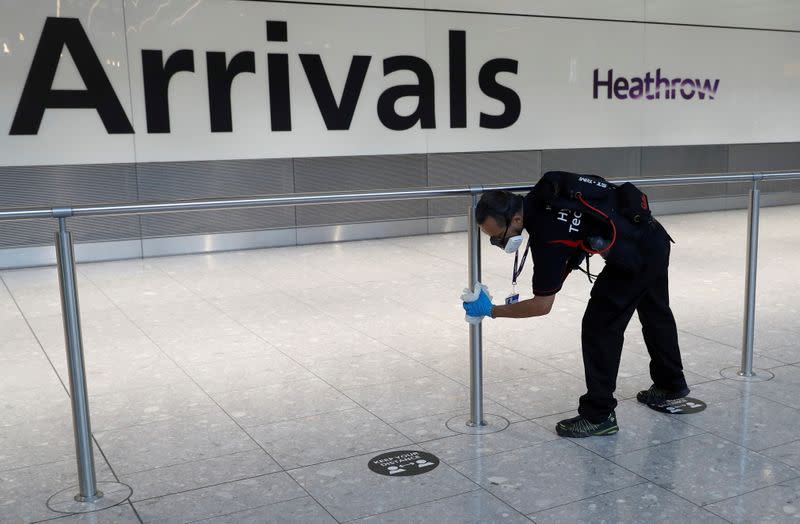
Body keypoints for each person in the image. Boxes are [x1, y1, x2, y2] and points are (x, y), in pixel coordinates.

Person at [463, 171, 689, 438]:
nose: (498, 243)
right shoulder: (548, 188)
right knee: (655, 312)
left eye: (499, 236)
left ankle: (599, 415)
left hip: (634, 257)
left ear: (516, 218)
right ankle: (670, 384)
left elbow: (541, 305)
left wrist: (491, 310)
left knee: (599, 327)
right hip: (654, 237)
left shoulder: (546, 237)